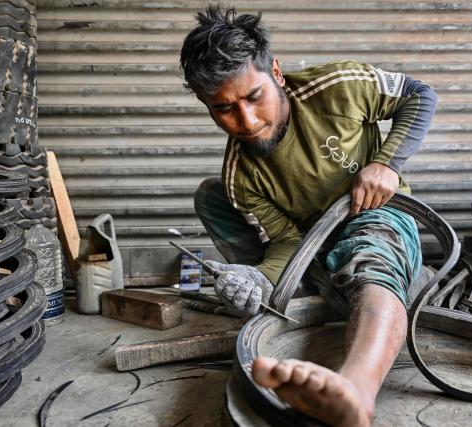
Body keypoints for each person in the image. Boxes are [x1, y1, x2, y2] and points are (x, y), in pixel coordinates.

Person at [180, 5, 437, 426]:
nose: (245, 121)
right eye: (223, 109)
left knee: (371, 259)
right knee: (211, 196)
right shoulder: (239, 175)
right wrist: (258, 277)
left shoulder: (336, 87)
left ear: (276, 73)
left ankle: (355, 390)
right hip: (314, 244)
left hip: (377, 214)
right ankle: (291, 292)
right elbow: (287, 241)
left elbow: (420, 94)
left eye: (253, 97)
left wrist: (388, 163)